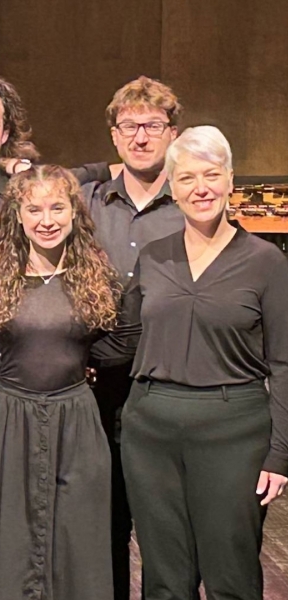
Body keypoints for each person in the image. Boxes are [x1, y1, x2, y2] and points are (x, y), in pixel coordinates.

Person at [121, 126, 288, 600]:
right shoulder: (153, 258)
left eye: (211, 175)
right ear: (173, 188)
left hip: (233, 431)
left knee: (230, 573)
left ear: (230, 180)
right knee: (163, 576)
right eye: (188, 178)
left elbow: (285, 362)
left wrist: (280, 453)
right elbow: (122, 339)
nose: (201, 188)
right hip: (149, 431)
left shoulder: (266, 262)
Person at [0, 165, 138, 600]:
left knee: (77, 536)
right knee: (14, 536)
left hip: (76, 418)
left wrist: (84, 364)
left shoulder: (95, 273)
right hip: (10, 420)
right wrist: (3, 374)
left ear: (74, 212)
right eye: (34, 209)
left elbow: (125, 335)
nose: (47, 219)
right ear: (17, 216)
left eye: (57, 207)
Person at [80, 76, 187, 600]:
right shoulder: (85, 201)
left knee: (166, 529)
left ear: (172, 132)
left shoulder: (193, 201)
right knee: (104, 524)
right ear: (115, 135)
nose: (141, 137)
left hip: (166, 387)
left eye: (152, 126)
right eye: (129, 127)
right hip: (97, 388)